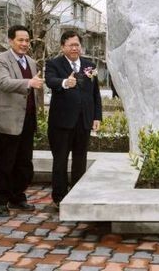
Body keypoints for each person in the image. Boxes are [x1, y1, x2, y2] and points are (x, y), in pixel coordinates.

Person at [45, 31, 102, 207]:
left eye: (77, 44)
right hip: (61, 122)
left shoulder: (89, 65)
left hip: (83, 121)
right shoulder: (54, 64)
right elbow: (50, 81)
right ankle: (59, 197)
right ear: (63, 47)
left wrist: (96, 116)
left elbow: (95, 94)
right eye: (71, 45)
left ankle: (78, 194)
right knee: (60, 160)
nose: (75, 48)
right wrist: (64, 82)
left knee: (80, 159)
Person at [0, 25, 43, 217]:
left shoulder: (31, 61)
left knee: (24, 163)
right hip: (6, 120)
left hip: (27, 119)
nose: (24, 44)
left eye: (27, 40)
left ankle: (18, 197)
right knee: (5, 163)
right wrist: (29, 83)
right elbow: (3, 82)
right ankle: (0, 201)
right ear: (10, 40)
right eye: (20, 40)